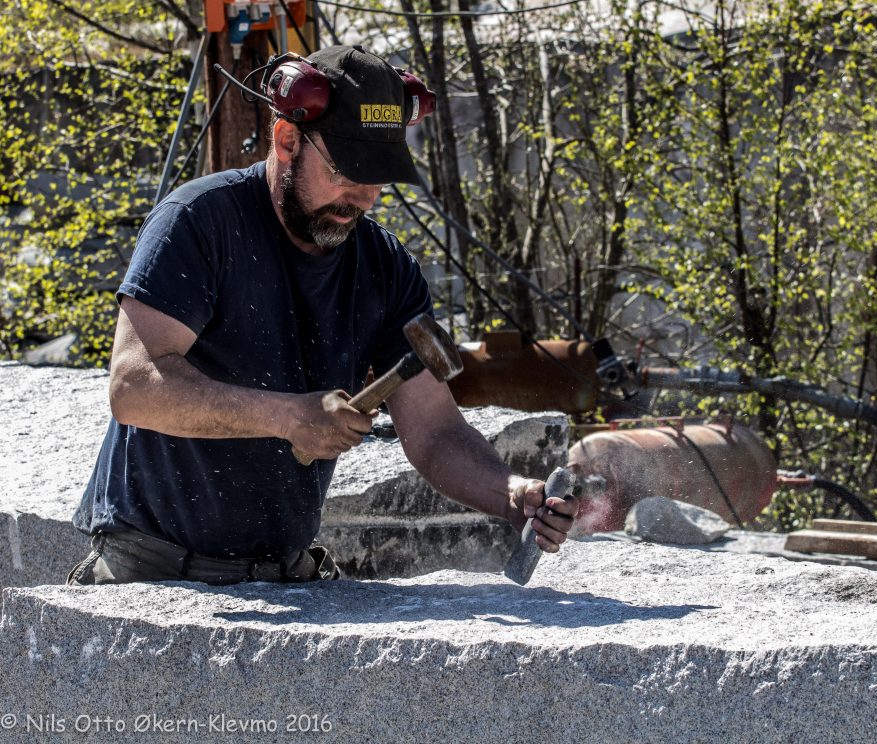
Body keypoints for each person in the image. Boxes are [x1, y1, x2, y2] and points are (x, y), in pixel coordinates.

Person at [68, 45, 577, 585]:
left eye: (377, 179)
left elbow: (434, 431)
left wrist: (511, 492)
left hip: (287, 575)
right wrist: (289, 417)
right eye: (344, 172)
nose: (362, 198)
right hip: (151, 570)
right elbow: (134, 389)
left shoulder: (387, 268)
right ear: (287, 140)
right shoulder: (197, 224)